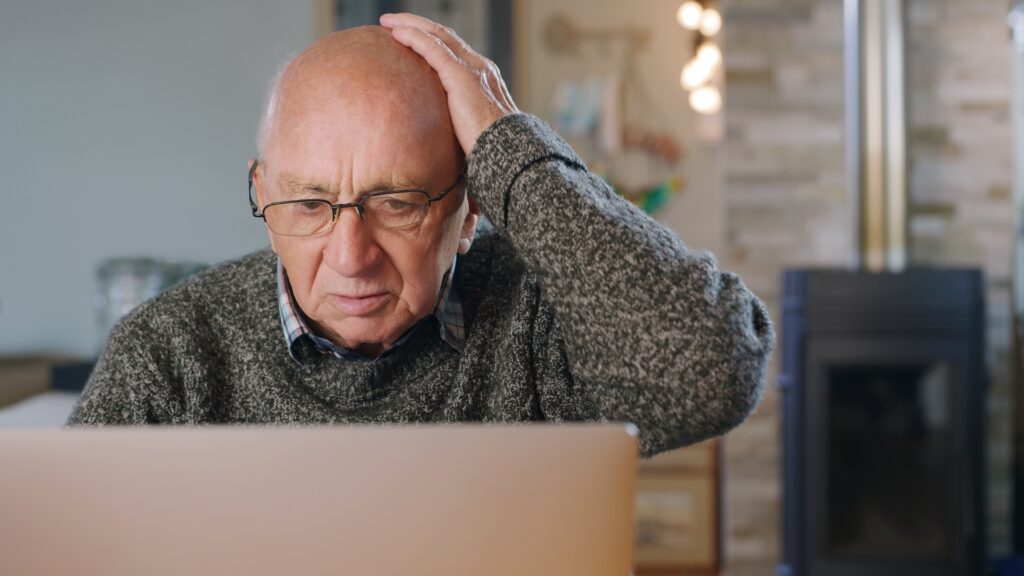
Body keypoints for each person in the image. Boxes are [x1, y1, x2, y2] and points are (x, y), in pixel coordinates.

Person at [68, 14, 774, 458]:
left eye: (397, 202)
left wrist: (511, 152)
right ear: (262, 191)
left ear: (470, 209)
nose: (351, 258)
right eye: (310, 203)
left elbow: (710, 373)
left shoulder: (541, 326)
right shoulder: (168, 354)